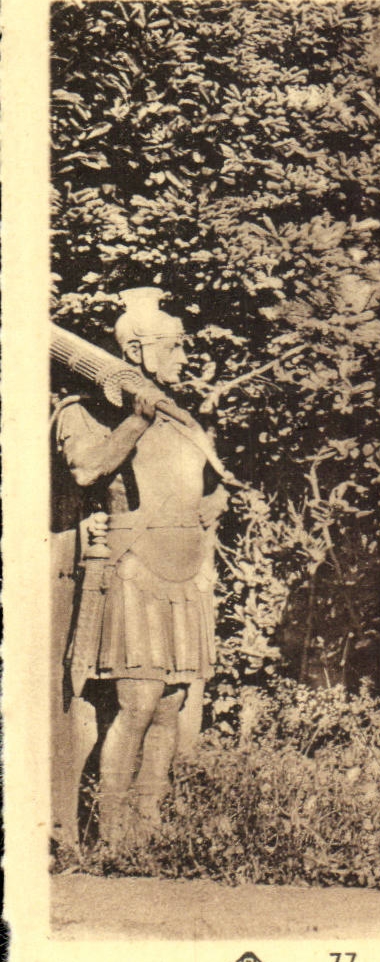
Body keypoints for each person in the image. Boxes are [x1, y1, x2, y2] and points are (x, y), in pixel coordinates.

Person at [53, 287, 227, 845]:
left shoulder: (183, 419)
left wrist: (211, 506)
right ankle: (110, 836)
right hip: (133, 566)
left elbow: (214, 487)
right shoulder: (84, 412)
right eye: (173, 348)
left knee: (171, 705)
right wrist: (133, 421)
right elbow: (86, 472)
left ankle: (147, 833)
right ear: (137, 352)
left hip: (185, 569)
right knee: (138, 702)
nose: (183, 359)